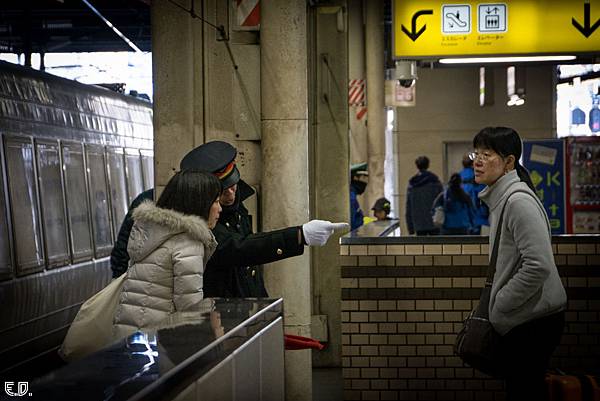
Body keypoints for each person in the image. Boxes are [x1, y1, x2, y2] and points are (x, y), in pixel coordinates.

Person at [111, 140, 348, 298]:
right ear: (201, 196)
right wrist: (300, 235)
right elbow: (233, 249)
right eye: (219, 196)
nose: (228, 198)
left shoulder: (229, 208)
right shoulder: (187, 235)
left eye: (234, 186)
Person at [471, 126, 567, 401]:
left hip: (533, 320)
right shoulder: (503, 198)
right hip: (526, 317)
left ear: (509, 162)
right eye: (475, 153)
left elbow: (538, 264)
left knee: (524, 391)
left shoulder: (517, 202)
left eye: (486, 154)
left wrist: (502, 302)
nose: (477, 161)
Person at [112, 170, 221, 337]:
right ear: (200, 203)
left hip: (131, 335)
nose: (219, 209)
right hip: (161, 339)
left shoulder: (151, 232)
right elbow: (190, 311)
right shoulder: (188, 243)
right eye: (216, 202)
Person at [405, 156, 443, 235]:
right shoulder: (435, 182)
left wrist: (410, 227)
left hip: (418, 223)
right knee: (437, 246)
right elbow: (442, 203)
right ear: (428, 165)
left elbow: (409, 207)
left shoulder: (412, 185)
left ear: (417, 166)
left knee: (422, 246)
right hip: (434, 222)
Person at [459, 154, 489, 234]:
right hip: (478, 215)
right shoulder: (479, 176)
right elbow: (485, 194)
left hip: (462, 218)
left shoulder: (458, 177)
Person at [350, 162, 368, 230]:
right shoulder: (351, 197)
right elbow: (351, 223)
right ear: (355, 177)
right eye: (363, 178)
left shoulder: (352, 194)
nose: (365, 182)